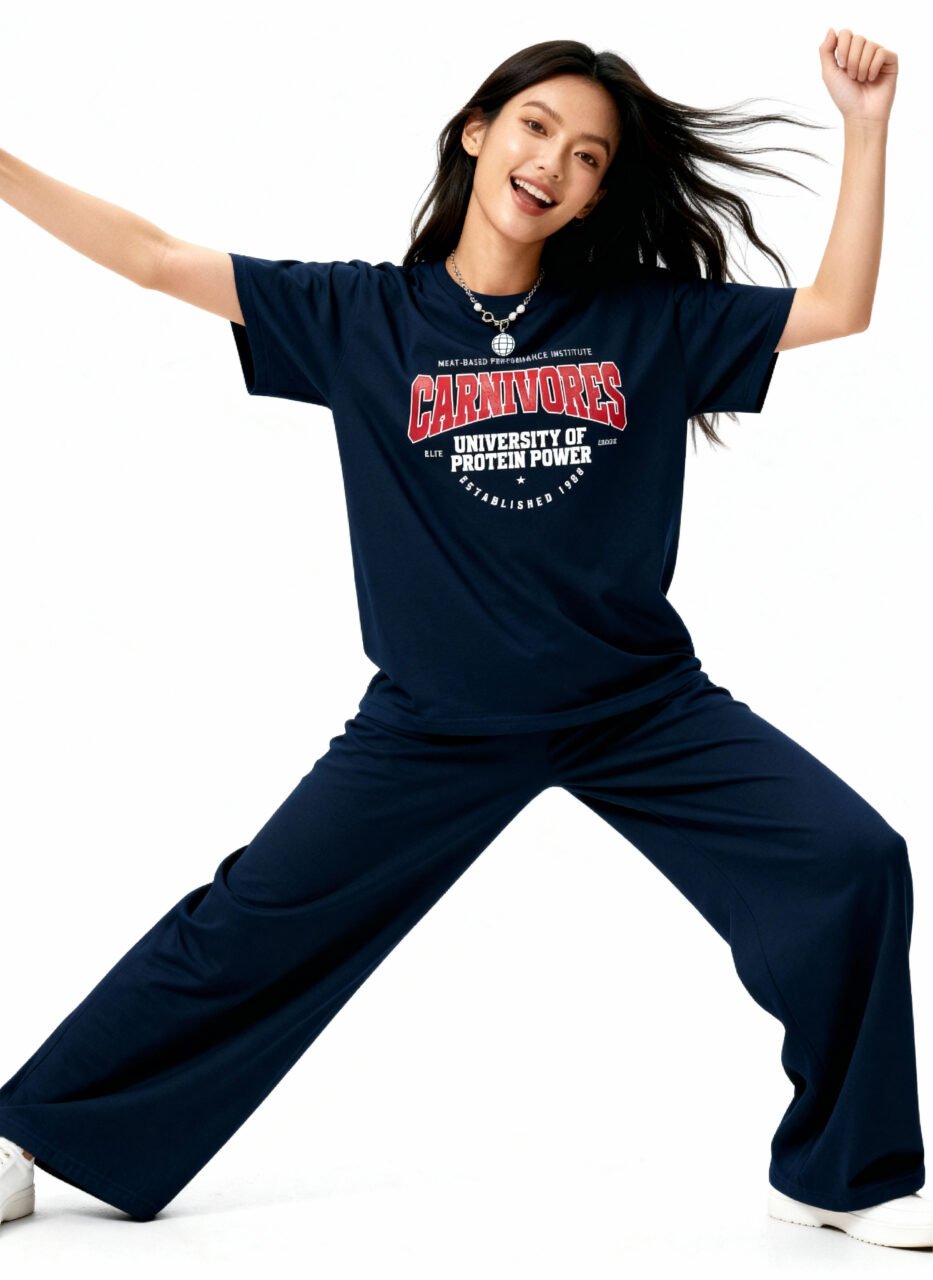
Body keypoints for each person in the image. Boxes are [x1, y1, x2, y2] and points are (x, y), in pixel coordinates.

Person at [0, 30, 929, 1251]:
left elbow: (838, 309)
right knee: (248, 925)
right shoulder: (361, 315)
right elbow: (158, 257)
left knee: (853, 859)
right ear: (478, 132)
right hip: (436, 720)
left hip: (639, 706)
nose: (555, 161)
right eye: (537, 126)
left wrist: (866, 128)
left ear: (596, 194)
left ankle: (842, 1171)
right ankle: (31, 1133)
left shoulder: (644, 318)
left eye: (588, 155)